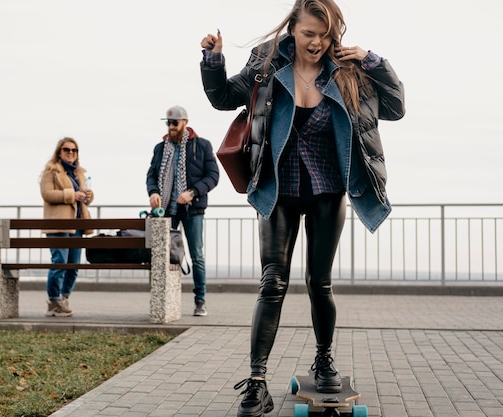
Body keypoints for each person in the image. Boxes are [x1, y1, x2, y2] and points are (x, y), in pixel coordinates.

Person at [200, 0, 405, 415]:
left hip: (329, 189)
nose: (317, 42)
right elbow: (223, 98)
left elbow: (397, 107)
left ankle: (324, 358)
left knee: (319, 282)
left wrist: (373, 59)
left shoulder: (350, 71)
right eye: (309, 33)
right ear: (293, 29)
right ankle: (256, 382)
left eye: (325, 35)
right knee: (272, 281)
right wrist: (213, 59)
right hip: (279, 188)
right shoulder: (266, 64)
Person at [146, 105, 220, 317]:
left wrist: (193, 192)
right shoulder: (160, 148)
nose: (170, 126)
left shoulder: (202, 146)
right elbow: (151, 175)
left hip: (192, 209)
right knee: (164, 255)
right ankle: (166, 300)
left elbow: (213, 176)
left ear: (185, 122)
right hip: (166, 210)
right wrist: (153, 192)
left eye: (174, 123)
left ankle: (200, 300)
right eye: (168, 123)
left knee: (196, 255)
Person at [39, 137, 94, 317]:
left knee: (73, 265)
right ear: (59, 152)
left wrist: (88, 196)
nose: (71, 153)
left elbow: (82, 199)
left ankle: (64, 298)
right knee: (60, 263)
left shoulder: (78, 173)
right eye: (67, 149)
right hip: (59, 224)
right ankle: (54, 300)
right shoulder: (51, 171)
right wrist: (72, 194)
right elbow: (47, 194)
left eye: (74, 150)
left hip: (77, 224)